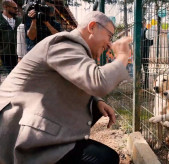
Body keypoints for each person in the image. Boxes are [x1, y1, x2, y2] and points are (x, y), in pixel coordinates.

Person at [0, 11, 131, 164]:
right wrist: (122, 56)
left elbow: (79, 79)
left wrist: (96, 101)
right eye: (110, 36)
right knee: (104, 159)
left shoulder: (75, 49)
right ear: (92, 27)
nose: (110, 43)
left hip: (29, 122)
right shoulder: (64, 43)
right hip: (16, 129)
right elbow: (98, 81)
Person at [0, 0, 22, 71]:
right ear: (5, 7)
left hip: (19, 53)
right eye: (14, 8)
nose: (17, 10)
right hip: (4, 54)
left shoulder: (20, 20)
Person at [141, 19, 153, 89]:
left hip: (138, 53)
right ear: (145, 23)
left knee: (138, 69)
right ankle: (146, 85)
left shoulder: (136, 31)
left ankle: (139, 84)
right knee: (146, 69)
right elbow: (151, 42)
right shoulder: (148, 31)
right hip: (145, 53)